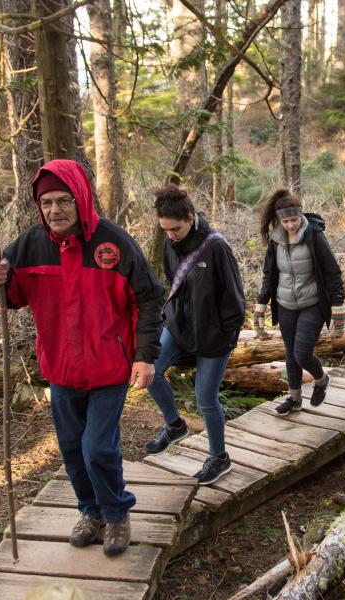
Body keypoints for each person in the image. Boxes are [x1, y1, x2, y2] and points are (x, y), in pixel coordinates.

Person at [0, 159, 163, 557]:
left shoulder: (113, 243)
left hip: (109, 366)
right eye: (46, 202)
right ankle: (90, 511)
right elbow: (10, 298)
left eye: (63, 200)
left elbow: (149, 298)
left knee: (98, 446)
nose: (55, 210)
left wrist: (145, 356)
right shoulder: (30, 245)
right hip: (61, 369)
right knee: (70, 446)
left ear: (81, 198)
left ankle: (116, 514)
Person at [144, 184, 245, 485]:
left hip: (214, 336)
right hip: (179, 326)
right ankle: (175, 425)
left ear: (190, 217)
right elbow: (172, 282)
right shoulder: (169, 242)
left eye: (175, 229)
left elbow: (235, 300)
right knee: (150, 371)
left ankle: (219, 457)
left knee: (206, 400)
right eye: (165, 230)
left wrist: (225, 337)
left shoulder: (216, 247)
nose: (170, 235)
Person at [253, 190, 345, 415]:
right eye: (285, 221)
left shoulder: (314, 236)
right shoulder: (276, 240)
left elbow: (332, 273)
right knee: (290, 353)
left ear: (300, 215)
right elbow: (269, 274)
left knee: (302, 353)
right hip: (285, 304)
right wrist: (260, 305)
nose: (290, 225)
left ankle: (322, 379)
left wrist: (338, 308)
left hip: (312, 303)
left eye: (294, 220)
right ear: (279, 220)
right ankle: (294, 399)